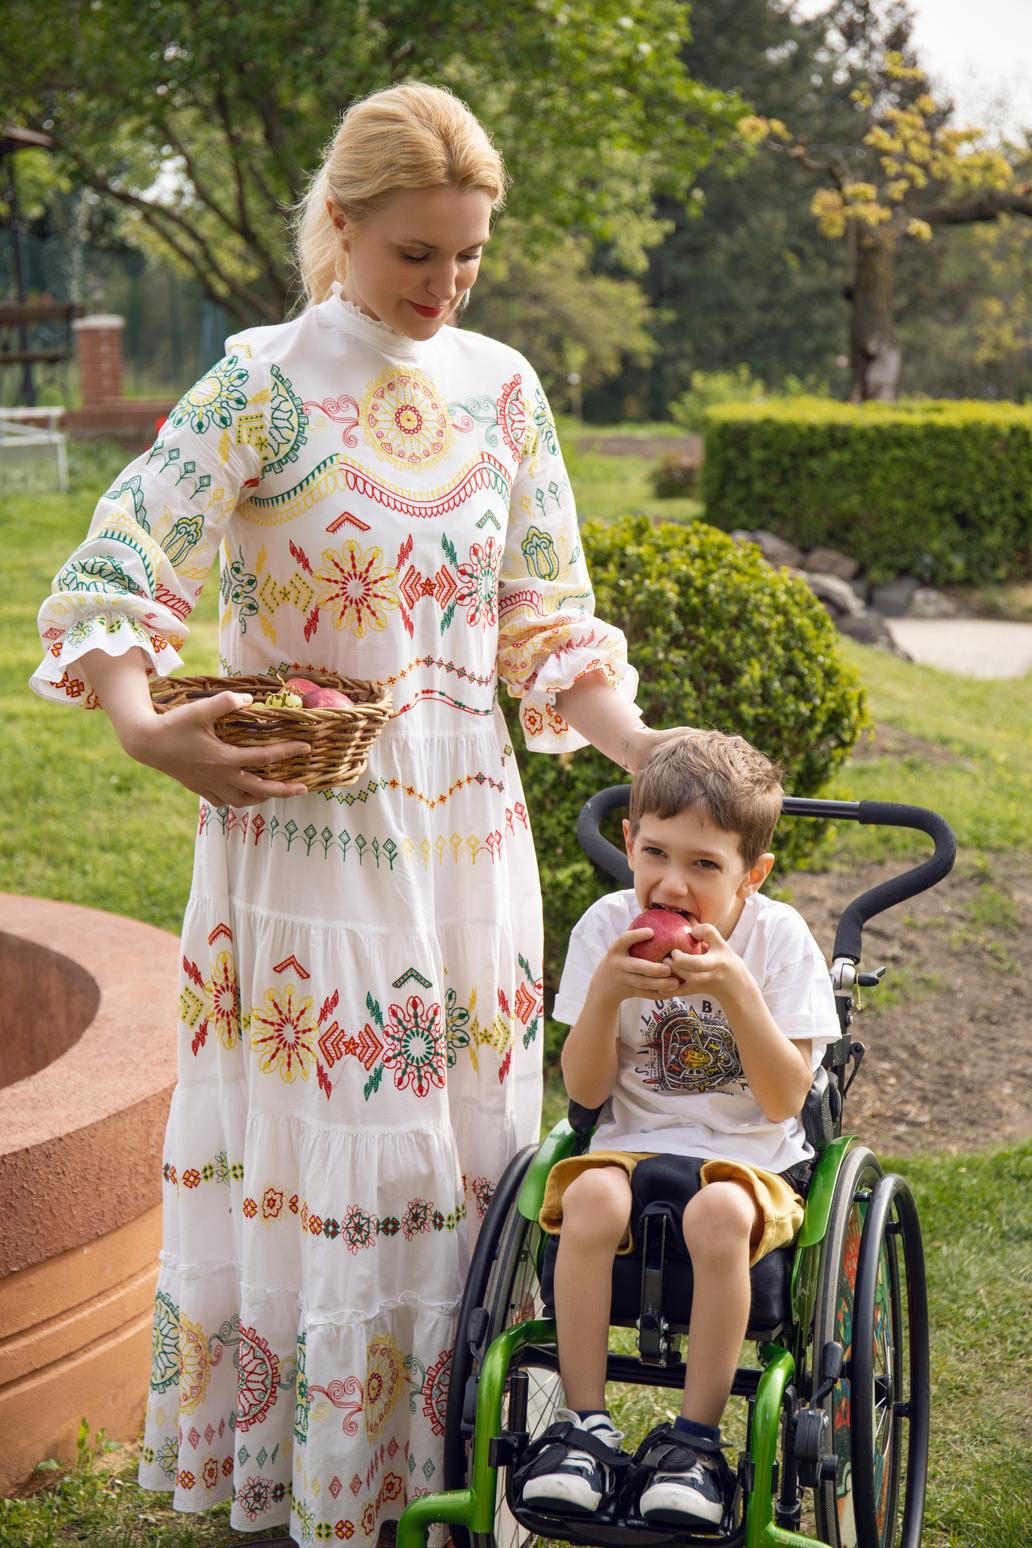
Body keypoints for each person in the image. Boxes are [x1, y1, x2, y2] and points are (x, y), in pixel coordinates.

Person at [30, 83, 696, 1546]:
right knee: (336, 1151)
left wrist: (638, 743)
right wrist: (151, 734)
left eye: (468, 256)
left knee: (468, 1152)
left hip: (473, 844)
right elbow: (122, 555)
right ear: (340, 227)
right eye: (416, 255)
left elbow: (542, 616)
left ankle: (449, 1475)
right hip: (309, 848)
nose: (444, 286)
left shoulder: (506, 389)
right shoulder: (259, 385)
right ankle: (314, 1484)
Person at [517, 732, 840, 1529]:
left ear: (750, 875)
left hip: (748, 1156)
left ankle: (694, 1442)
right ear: (628, 840)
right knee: (589, 1197)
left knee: (721, 1214)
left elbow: (780, 1100)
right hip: (630, 1141)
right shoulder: (606, 925)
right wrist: (601, 998)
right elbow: (586, 1091)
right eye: (656, 852)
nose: (672, 881)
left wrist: (737, 994)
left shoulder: (777, 940)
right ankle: (584, 1428)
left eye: (705, 865)